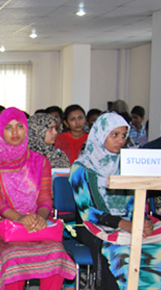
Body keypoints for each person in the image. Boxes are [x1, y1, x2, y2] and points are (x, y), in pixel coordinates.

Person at [0, 107, 76, 290]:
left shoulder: (41, 162)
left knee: (56, 252)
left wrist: (40, 216)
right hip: (4, 224)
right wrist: (21, 218)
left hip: (38, 223)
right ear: (0, 131)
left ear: (26, 128)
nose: (15, 132)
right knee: (14, 255)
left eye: (19, 126)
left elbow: (46, 198)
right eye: (8, 127)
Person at [69, 112, 161, 290]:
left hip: (128, 223)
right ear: (101, 134)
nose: (120, 140)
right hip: (91, 225)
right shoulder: (81, 167)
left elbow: (134, 199)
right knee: (122, 254)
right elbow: (88, 211)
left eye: (124, 135)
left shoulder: (127, 164)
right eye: (115, 135)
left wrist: (142, 220)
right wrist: (124, 224)